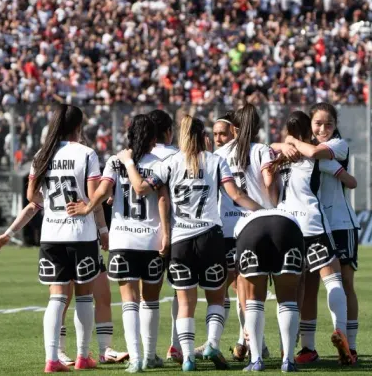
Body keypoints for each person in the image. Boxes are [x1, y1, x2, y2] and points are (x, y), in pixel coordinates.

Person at [117, 115, 264, 372]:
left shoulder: (170, 163)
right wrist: (263, 212)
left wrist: (129, 162)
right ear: (202, 135)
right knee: (216, 297)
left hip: (180, 241)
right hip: (210, 237)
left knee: (185, 302)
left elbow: (140, 188)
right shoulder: (216, 161)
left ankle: (187, 357)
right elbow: (236, 195)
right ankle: (212, 343)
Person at [0, 104, 103, 373]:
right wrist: (94, 216)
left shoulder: (42, 155)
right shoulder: (87, 153)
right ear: (79, 126)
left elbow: (32, 196)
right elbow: (93, 197)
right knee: (84, 295)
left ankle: (52, 359)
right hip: (81, 233)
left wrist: (52, 206)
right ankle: (81, 356)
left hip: (51, 234)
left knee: (56, 298)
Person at [66, 114, 171, 372]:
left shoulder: (115, 160)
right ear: (154, 138)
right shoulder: (161, 163)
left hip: (122, 238)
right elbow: (162, 201)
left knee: (129, 301)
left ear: (128, 134)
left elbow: (102, 191)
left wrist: (87, 207)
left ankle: (135, 359)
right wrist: (167, 233)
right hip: (150, 238)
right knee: (151, 300)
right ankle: (148, 354)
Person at [269, 110, 357, 367]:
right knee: (333, 280)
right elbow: (351, 182)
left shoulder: (281, 155)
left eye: (328, 124)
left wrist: (285, 145)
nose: (323, 128)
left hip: (288, 225)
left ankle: (289, 351)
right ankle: (335, 333)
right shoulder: (312, 156)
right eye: (317, 124)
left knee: (294, 288)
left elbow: (268, 161)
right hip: (316, 223)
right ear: (309, 128)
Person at [212, 105, 275, 362]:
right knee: (250, 289)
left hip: (228, 228)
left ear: (233, 128)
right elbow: (270, 186)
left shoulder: (218, 156)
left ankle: (245, 342)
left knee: (238, 288)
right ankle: (252, 343)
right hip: (257, 224)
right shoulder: (263, 151)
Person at [234, 209, 305, 372]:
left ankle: (256, 360)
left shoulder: (243, 222)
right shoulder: (290, 216)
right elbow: (301, 283)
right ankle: (288, 361)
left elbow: (240, 282)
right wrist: (297, 316)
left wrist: (246, 322)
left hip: (250, 230)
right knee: (288, 298)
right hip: (288, 228)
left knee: (254, 299)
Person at [146, 109, 183, 364]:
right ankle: (177, 346)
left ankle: (144, 353)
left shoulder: (140, 159)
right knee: (182, 290)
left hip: (145, 234)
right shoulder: (179, 156)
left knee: (146, 297)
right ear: (169, 132)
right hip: (178, 230)